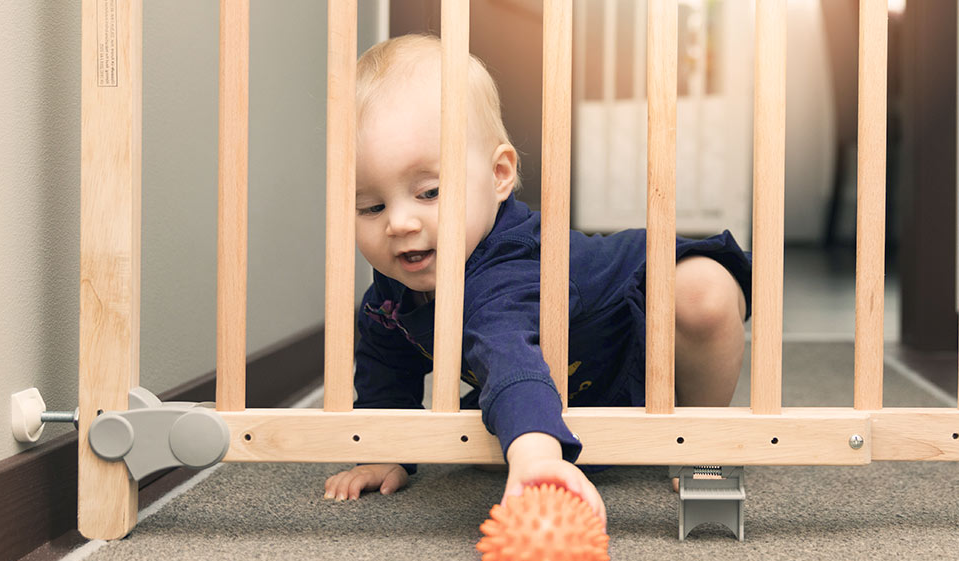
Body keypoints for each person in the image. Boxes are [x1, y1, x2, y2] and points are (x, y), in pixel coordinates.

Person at [322, 34, 752, 531]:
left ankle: (701, 439)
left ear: (499, 175)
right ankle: (552, 425)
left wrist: (536, 460)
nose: (399, 223)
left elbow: (506, 350)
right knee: (486, 440)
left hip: (641, 330)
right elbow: (385, 360)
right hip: (577, 378)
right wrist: (384, 450)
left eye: (430, 192)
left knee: (702, 290)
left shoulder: (506, 269)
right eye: (371, 207)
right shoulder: (393, 292)